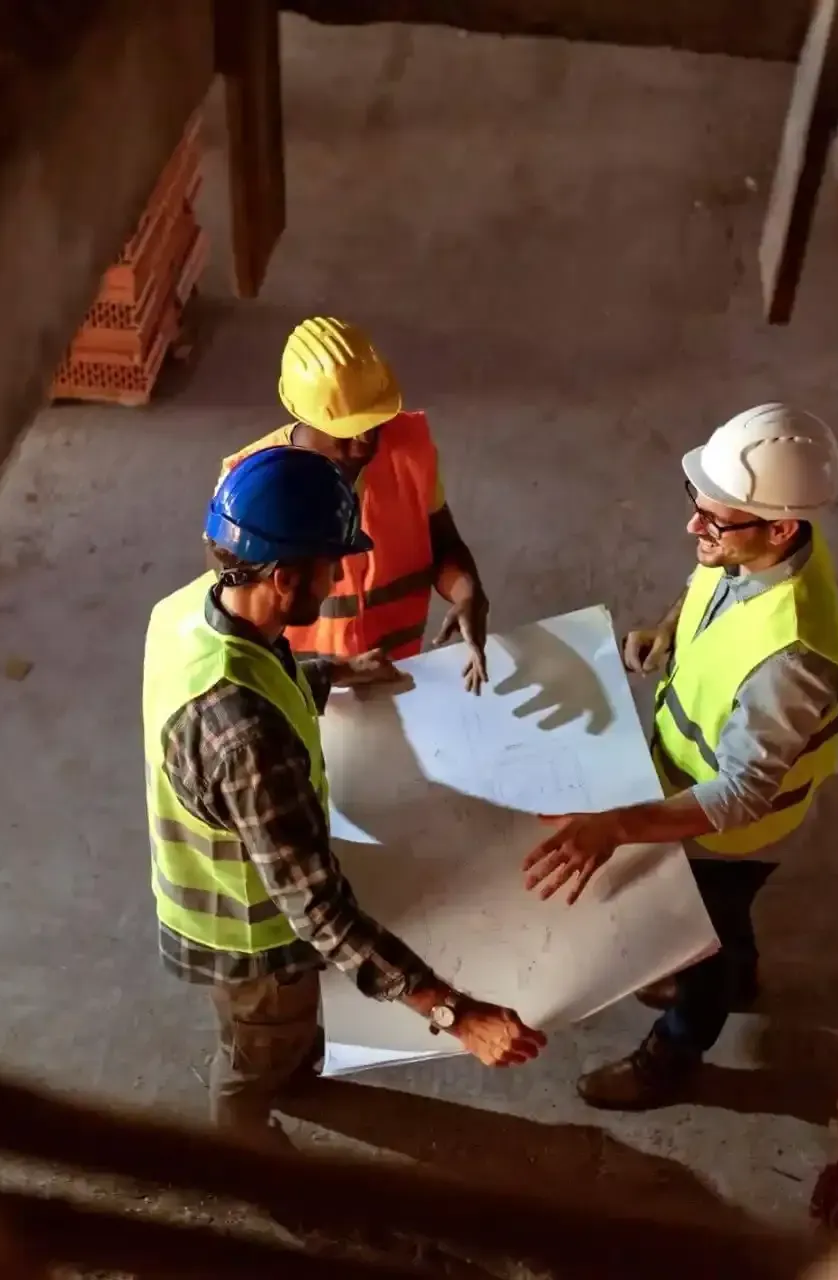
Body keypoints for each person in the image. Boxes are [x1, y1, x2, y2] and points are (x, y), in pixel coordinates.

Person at [146, 445, 545, 1147]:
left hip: (219, 885)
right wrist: (455, 1014)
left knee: (277, 1038)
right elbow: (317, 910)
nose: (339, 580)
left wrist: (330, 671)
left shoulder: (189, 609)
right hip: (250, 937)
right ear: (283, 577)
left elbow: (250, 671)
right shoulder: (246, 738)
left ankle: (282, 1073)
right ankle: (240, 1146)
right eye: (331, 566)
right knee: (257, 1052)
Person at [521, 404, 838, 1110]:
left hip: (733, 834)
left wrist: (615, 827)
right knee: (717, 924)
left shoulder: (791, 659)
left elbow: (741, 795)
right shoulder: (758, 548)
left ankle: (675, 1051)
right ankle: (738, 969)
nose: (692, 528)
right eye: (697, 505)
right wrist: (670, 631)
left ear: (779, 527)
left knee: (703, 942)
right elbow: (713, 586)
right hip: (686, 789)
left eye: (714, 521)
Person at [220, 316, 492, 692]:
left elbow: (443, 543)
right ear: (307, 417)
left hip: (394, 670)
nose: (365, 438)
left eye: (374, 420)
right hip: (305, 687)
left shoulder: (409, 449)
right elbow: (235, 620)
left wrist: (466, 593)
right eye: (349, 428)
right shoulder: (248, 489)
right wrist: (326, 675)